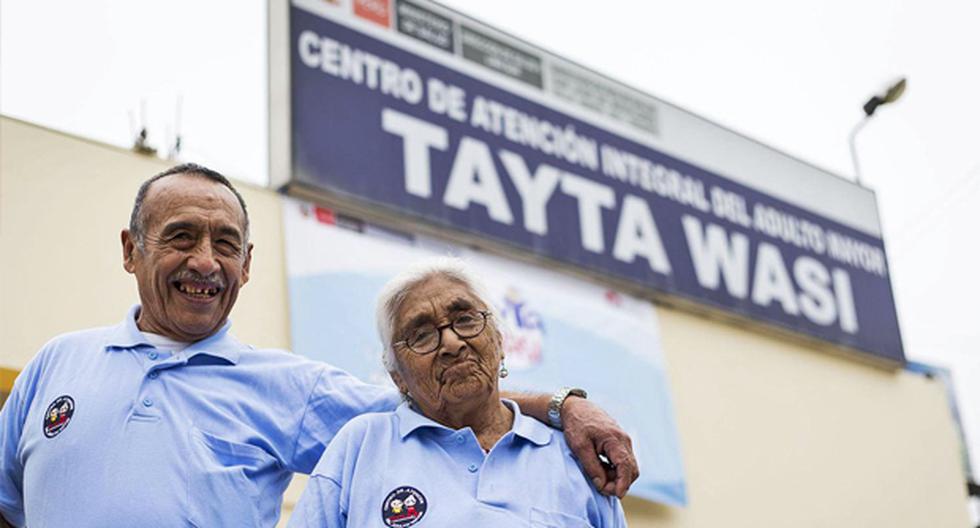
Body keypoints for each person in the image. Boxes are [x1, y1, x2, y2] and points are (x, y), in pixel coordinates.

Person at [0, 164, 637, 527]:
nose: (205, 261)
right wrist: (558, 405)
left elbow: (443, 400)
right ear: (130, 250)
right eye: (181, 236)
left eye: (226, 244)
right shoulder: (54, 365)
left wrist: (561, 408)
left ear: (247, 266)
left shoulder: (294, 390)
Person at [289, 258, 627, 527]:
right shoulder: (362, 446)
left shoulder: (571, 456)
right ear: (398, 377)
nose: (451, 343)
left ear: (499, 340)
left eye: (465, 319)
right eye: (420, 336)